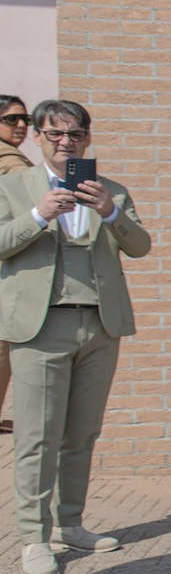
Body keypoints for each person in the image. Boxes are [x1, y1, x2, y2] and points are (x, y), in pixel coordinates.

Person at [0, 99, 150, 574]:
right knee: (36, 437)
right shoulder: (13, 186)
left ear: (87, 139)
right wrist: (39, 214)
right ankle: (33, 538)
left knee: (81, 433)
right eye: (55, 133)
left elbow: (141, 245)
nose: (67, 142)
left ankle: (70, 523)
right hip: (41, 324)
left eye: (76, 134)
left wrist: (110, 213)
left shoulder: (111, 191)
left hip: (100, 325)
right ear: (39, 137)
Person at [0, 94, 35, 437]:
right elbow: (32, 201)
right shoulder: (11, 160)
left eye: (26, 119)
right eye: (12, 120)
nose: (22, 126)